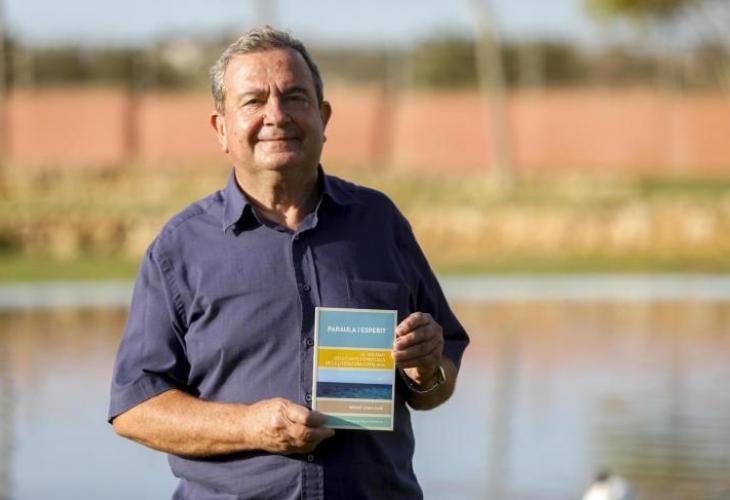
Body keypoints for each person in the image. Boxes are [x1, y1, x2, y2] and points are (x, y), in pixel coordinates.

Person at [108, 26, 469, 500]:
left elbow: (435, 385)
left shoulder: (379, 224)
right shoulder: (179, 249)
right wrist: (249, 426)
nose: (276, 115)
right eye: (253, 101)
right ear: (221, 128)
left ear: (323, 116)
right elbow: (136, 409)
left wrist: (426, 371)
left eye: (294, 97)